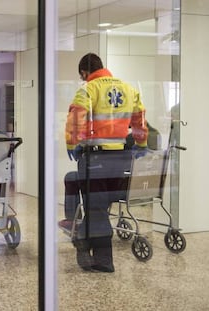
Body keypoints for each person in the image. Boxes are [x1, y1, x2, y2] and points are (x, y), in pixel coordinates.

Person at [64, 53, 148, 272]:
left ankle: (83, 241)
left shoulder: (88, 89)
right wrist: (141, 143)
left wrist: (72, 144)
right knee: (99, 206)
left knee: (96, 207)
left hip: (95, 159)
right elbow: (139, 119)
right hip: (121, 159)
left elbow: (76, 118)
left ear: (84, 73)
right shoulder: (128, 89)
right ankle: (103, 259)